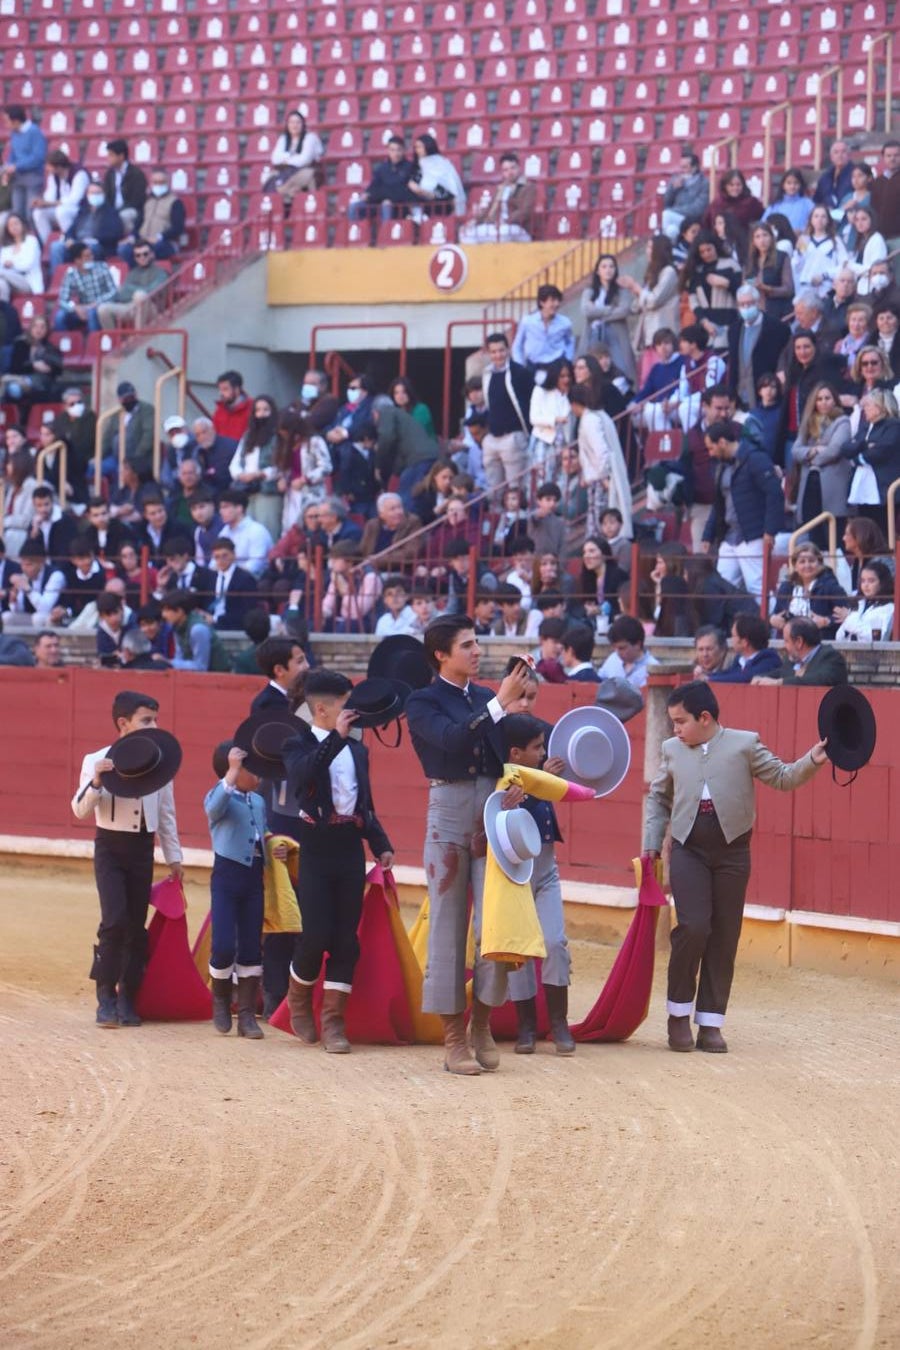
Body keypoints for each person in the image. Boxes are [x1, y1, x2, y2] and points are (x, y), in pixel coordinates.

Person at [643, 680, 827, 1052]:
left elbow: (782, 776)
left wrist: (813, 760)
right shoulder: (672, 749)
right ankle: (677, 1015)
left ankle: (710, 1022)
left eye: (680, 722)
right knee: (694, 927)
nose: (676, 730)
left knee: (725, 934)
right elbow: (659, 799)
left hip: (732, 852)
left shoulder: (745, 744)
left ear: (705, 718)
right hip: (688, 849)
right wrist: (651, 844)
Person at [404, 617, 532, 1075]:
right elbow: (453, 741)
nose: (477, 651)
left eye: (477, 643)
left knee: (495, 923)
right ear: (441, 654)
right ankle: (453, 1038)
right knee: (447, 924)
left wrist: (515, 787)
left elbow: (501, 761)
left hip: (491, 810)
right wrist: (501, 702)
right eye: (468, 644)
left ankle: (482, 1022)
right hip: (449, 808)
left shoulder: (483, 698)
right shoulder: (422, 701)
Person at [282, 669, 393, 1054]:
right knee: (314, 935)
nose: (354, 710)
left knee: (346, 939)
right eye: (347, 704)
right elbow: (303, 775)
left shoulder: (359, 751)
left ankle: (333, 1023)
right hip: (315, 846)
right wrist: (335, 738)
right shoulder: (296, 744)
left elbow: (366, 805)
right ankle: (298, 998)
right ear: (323, 710)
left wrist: (380, 843)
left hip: (349, 847)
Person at [71, 689, 183, 1028]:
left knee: (136, 927)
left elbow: (166, 814)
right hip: (110, 848)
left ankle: (128, 996)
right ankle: (105, 996)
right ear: (124, 723)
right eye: (146, 720)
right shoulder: (97, 760)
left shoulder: (159, 762)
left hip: (141, 850)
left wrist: (174, 857)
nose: (155, 725)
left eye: (155, 718)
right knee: (115, 921)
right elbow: (78, 810)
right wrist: (97, 782)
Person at [502, 710, 576, 1054]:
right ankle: (526, 1026)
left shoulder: (536, 770)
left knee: (555, 942)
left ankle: (558, 1022)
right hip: (514, 871)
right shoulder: (502, 778)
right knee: (518, 947)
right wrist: (537, 782)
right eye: (537, 747)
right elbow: (502, 815)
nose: (543, 753)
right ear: (516, 754)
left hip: (544, 867)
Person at [204, 742, 270, 1041]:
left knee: (251, 946)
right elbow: (213, 808)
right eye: (249, 768)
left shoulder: (258, 801)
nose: (257, 774)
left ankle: (245, 1015)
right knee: (223, 945)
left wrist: (273, 846)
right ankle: (220, 1000)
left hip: (254, 876)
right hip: (227, 875)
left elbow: (259, 834)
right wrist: (231, 772)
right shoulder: (220, 797)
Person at [702, 419, 784, 602]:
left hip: (752, 534)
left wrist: (770, 531)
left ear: (722, 442)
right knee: (720, 586)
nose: (710, 453)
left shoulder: (755, 458)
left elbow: (774, 493)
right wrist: (708, 534)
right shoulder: (722, 465)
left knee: (757, 588)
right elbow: (719, 504)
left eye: (711, 448)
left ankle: (770, 628)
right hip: (731, 536)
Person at [790, 383, 853, 547]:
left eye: (827, 398)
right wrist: (814, 451)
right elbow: (795, 451)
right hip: (810, 484)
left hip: (833, 488)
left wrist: (809, 457)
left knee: (835, 537)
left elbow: (834, 450)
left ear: (834, 400)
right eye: (819, 399)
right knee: (814, 533)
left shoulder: (843, 421)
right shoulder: (807, 423)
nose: (823, 402)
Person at [569, 381, 632, 539]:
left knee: (601, 524)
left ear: (575, 403)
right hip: (597, 478)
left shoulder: (591, 420)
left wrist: (604, 477)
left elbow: (601, 452)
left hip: (601, 480)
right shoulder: (594, 416)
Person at [479, 331, 534, 496]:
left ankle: (516, 520)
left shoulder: (520, 373)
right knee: (493, 489)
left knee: (515, 488)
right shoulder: (487, 373)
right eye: (494, 352)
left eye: (501, 350)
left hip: (513, 437)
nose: (498, 355)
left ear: (508, 350)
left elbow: (529, 402)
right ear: (489, 353)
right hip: (492, 438)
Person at [840, 388, 900, 535]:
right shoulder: (866, 427)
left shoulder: (893, 425)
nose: (864, 409)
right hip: (863, 486)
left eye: (868, 405)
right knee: (864, 528)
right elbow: (846, 448)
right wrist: (865, 445)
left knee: (882, 528)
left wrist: (858, 456)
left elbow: (882, 451)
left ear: (880, 407)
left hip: (883, 487)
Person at [228, 394, 282, 542]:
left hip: (268, 491)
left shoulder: (278, 436)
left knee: (267, 531)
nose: (261, 414)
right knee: (248, 534)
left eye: (266, 410)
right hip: (247, 490)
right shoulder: (247, 436)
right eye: (258, 410)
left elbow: (281, 465)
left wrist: (260, 474)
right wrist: (241, 475)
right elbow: (235, 464)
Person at [727, 283, 790, 410]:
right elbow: (733, 365)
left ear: (758, 302)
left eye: (749, 303)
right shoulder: (734, 330)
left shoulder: (776, 328)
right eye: (742, 304)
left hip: (765, 399)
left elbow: (783, 361)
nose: (746, 307)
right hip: (740, 398)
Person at [620, 235, 681, 361]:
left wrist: (635, 286)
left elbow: (653, 300)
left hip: (663, 334)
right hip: (649, 334)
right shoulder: (652, 273)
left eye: (650, 247)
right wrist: (633, 290)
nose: (647, 251)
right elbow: (640, 304)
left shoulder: (669, 272)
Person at [579, 254, 636, 382]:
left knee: (621, 369)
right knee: (591, 370)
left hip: (615, 334)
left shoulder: (622, 291)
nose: (608, 269)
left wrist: (598, 313)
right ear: (598, 271)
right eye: (604, 266)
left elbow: (624, 310)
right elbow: (586, 311)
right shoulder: (590, 291)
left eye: (611, 266)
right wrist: (610, 309)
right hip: (593, 333)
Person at [460, 152, 537, 243]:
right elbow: (489, 208)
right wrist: (475, 221)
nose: (510, 172)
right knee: (466, 233)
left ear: (519, 168)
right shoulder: (501, 188)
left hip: (517, 228)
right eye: (506, 170)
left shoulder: (528, 187)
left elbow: (525, 211)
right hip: (497, 225)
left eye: (513, 168)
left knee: (503, 233)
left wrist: (505, 221)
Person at [753, 615, 849, 687]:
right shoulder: (792, 659)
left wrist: (779, 682)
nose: (784, 646)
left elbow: (820, 679)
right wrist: (760, 678)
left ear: (799, 641)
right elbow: (780, 673)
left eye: (786, 641)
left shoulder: (830, 656)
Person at [49, 181, 123, 269]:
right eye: (92, 193)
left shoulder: (111, 212)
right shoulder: (83, 211)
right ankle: (56, 278)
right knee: (56, 247)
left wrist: (93, 239)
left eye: (98, 193)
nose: (94, 195)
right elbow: (71, 229)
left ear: (103, 194)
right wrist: (69, 239)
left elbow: (115, 233)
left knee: (92, 248)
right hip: (78, 243)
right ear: (87, 195)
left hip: (98, 245)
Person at [96, 240, 168, 330]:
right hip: (131, 306)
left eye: (145, 254)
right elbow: (122, 295)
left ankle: (138, 336)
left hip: (151, 308)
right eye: (138, 255)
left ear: (151, 254)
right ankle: (115, 340)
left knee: (140, 295)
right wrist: (133, 291)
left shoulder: (160, 272)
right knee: (103, 309)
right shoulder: (132, 273)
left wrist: (132, 290)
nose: (142, 257)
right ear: (135, 258)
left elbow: (152, 291)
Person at [121, 168, 184, 264]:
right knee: (124, 249)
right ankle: (135, 274)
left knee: (155, 249)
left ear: (168, 183)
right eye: (155, 182)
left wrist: (159, 237)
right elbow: (139, 222)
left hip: (164, 242)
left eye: (161, 182)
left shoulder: (175, 202)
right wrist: (132, 237)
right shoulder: (146, 201)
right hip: (143, 240)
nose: (158, 185)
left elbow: (178, 228)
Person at [53, 242, 117, 333]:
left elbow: (113, 292)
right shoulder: (71, 275)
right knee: (60, 316)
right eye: (87, 256)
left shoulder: (102, 267)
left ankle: (93, 344)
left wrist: (96, 303)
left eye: (91, 255)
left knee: (91, 313)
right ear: (77, 260)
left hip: (101, 306)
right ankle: (63, 344)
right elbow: (62, 300)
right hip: (82, 309)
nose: (91, 258)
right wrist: (75, 308)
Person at [350, 135, 415, 224]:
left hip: (399, 206)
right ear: (388, 151)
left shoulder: (410, 167)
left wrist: (384, 195)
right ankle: (355, 233)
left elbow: (403, 191)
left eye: (398, 149)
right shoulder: (382, 168)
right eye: (392, 150)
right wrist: (367, 194)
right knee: (354, 206)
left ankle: (385, 235)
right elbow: (374, 186)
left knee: (386, 205)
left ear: (404, 150)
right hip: (377, 202)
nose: (395, 153)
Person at [160, 590, 231, 671]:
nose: (163, 615)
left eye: (167, 610)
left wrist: (168, 662)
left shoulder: (198, 629)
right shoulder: (176, 626)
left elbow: (201, 667)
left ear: (180, 611)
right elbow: (179, 658)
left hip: (219, 676)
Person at [512, 284, 575, 372]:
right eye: (552, 300)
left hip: (557, 366)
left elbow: (570, 342)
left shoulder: (565, 322)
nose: (556, 304)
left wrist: (568, 360)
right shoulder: (528, 321)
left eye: (558, 300)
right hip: (533, 366)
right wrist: (519, 366)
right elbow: (517, 345)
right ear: (542, 302)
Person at [266, 109, 323, 207]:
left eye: (297, 122)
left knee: (306, 176)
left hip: (306, 171)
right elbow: (275, 158)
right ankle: (286, 197)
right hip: (286, 172)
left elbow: (304, 160)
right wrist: (292, 157)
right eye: (291, 122)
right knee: (270, 177)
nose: (294, 125)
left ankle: (287, 194)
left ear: (303, 124)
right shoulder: (283, 139)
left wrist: (286, 160)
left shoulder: (310, 138)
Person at [707, 613, 782, 683]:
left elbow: (745, 677)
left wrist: (709, 679)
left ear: (744, 642)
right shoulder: (740, 659)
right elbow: (729, 673)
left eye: (733, 636)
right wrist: (707, 675)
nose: (732, 639)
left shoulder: (769, 660)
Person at [2, 105, 47, 220]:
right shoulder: (14, 133)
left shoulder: (35, 132)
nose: (5, 124)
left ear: (16, 121)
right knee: (17, 213)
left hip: (33, 178)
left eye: (7, 121)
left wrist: (17, 166)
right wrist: (8, 167)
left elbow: (38, 157)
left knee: (30, 213)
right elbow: (13, 152)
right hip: (18, 178)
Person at [406, 133, 467, 219]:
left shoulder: (442, 164)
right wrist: (413, 186)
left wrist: (430, 193)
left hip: (440, 203)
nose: (417, 150)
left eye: (420, 147)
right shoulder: (416, 165)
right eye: (416, 147)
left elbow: (449, 188)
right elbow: (414, 181)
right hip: (419, 200)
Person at [834, 559, 895, 642]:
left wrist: (849, 619)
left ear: (882, 583)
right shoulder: (859, 604)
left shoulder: (889, 608)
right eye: (863, 581)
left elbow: (878, 638)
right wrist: (847, 621)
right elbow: (839, 637)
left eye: (871, 581)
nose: (866, 585)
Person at [217, 488, 273, 577]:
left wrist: (229, 573)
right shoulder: (224, 532)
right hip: (228, 578)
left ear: (239, 508)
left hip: (254, 580)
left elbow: (255, 565)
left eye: (225, 507)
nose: (221, 511)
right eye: (221, 508)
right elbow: (215, 561)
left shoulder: (257, 531)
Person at [209, 535, 259, 630]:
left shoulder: (246, 579)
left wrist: (216, 619)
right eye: (217, 557)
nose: (221, 560)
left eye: (225, 556)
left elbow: (246, 613)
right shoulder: (210, 577)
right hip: (209, 625)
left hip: (233, 627)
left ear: (233, 554)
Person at [597, 614, 656, 691]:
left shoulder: (653, 668)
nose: (617, 652)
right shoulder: (613, 659)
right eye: (614, 648)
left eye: (622, 648)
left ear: (637, 644)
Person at [102, 138, 147, 235]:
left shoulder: (136, 174)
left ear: (121, 156)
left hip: (131, 210)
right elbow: (106, 196)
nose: (108, 158)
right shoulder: (110, 174)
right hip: (113, 210)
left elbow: (137, 201)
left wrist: (117, 211)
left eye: (111, 155)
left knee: (123, 216)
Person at [660, 151, 709, 241]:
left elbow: (698, 208)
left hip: (693, 219)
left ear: (695, 167)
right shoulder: (676, 180)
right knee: (671, 231)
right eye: (681, 167)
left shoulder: (704, 183)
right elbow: (666, 203)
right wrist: (673, 189)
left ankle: (662, 246)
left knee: (666, 214)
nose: (682, 170)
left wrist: (674, 211)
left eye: (685, 167)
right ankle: (670, 251)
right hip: (676, 218)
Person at [0, 212, 43, 302]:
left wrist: (12, 264)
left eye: (16, 223)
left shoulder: (31, 241)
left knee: (2, 274)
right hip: (9, 280)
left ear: (23, 224)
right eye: (10, 225)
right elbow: (2, 266)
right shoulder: (6, 248)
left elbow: (27, 265)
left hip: (28, 281)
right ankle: (5, 314)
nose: (14, 227)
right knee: (1, 285)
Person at [869, 140, 900, 259]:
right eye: (889, 155)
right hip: (879, 239)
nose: (892, 159)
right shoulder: (877, 182)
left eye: (896, 155)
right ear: (883, 158)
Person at [762, 167, 813, 235]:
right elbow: (763, 225)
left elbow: (815, 224)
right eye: (789, 183)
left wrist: (802, 231)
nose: (792, 186)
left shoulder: (808, 204)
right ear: (783, 185)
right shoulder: (775, 206)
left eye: (796, 183)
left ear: (800, 185)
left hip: (801, 241)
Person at [389, 374, 437, 440]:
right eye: (396, 393)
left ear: (409, 392)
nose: (400, 396)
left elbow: (416, 434)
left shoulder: (421, 409)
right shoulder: (394, 412)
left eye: (404, 392)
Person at [813, 140, 855, 212]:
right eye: (836, 152)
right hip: (827, 219)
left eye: (843, 152)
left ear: (849, 155)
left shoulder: (856, 174)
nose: (840, 155)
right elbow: (817, 201)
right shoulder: (824, 178)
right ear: (831, 157)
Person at [212, 370, 252, 443]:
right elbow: (214, 435)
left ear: (237, 389)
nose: (221, 393)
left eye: (225, 389)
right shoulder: (219, 410)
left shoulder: (252, 408)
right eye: (220, 389)